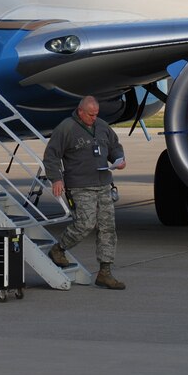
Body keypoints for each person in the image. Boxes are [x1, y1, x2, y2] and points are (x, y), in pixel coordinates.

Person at [43, 95, 127, 289]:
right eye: (90, 115)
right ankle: (58, 249)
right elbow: (52, 155)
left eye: (96, 114)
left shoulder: (102, 126)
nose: (93, 118)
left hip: (103, 183)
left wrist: (119, 159)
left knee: (108, 228)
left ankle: (105, 272)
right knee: (85, 223)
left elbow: (114, 146)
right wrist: (56, 178)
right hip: (80, 185)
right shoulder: (67, 128)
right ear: (80, 112)